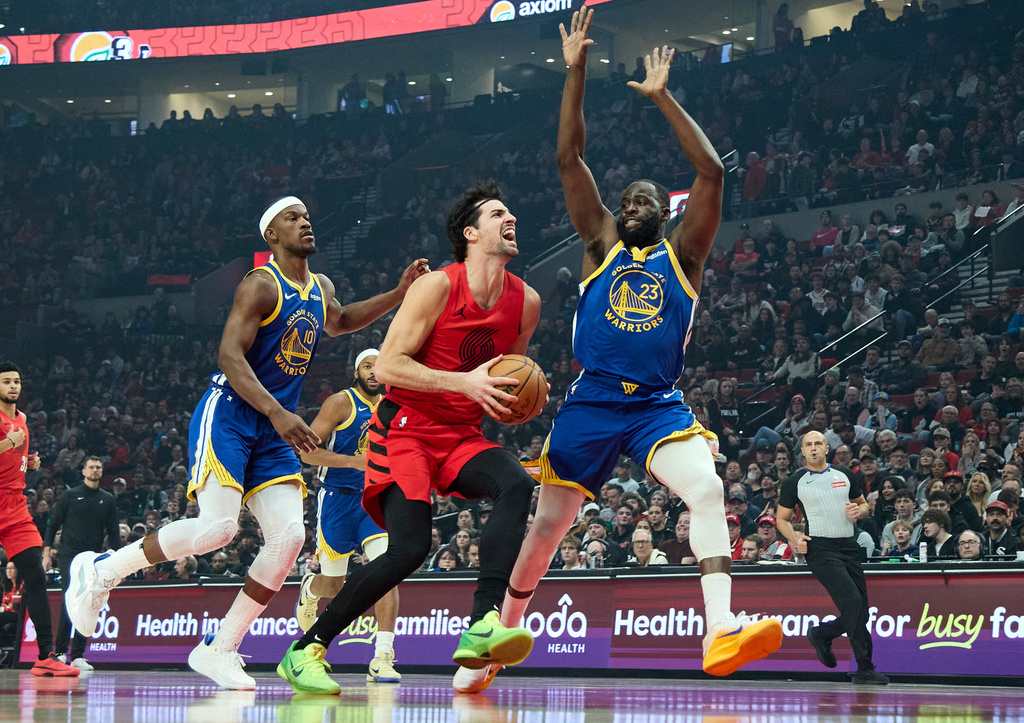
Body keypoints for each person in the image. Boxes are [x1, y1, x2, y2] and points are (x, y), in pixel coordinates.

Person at [467, 10, 783, 695]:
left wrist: (663, 96)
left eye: (646, 199)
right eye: (628, 198)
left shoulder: (686, 256)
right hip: (592, 402)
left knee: (706, 487)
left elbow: (712, 170)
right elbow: (567, 159)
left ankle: (721, 627)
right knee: (547, 530)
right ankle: (496, 640)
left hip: (656, 407)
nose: (634, 203)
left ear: (663, 214)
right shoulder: (600, 244)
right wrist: (576, 68)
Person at [64, 197, 429, 690]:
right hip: (233, 414)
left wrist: (400, 293)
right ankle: (103, 571)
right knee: (217, 529)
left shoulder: (320, 287)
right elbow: (229, 356)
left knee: (288, 539)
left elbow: (341, 321)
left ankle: (221, 647)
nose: (305, 221)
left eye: (306, 215)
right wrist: (279, 412)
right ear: (271, 235)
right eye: (292, 218)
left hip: (273, 428)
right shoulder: (260, 285)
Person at [276, 180, 542, 695]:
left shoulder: (525, 302)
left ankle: (483, 623)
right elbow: (391, 367)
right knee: (408, 550)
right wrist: (463, 382)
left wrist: (519, 397)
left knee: (514, 483)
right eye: (498, 214)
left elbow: (513, 371)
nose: (511, 219)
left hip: (461, 432)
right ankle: (305, 648)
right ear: (470, 233)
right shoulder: (437, 287)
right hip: (406, 430)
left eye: (512, 214)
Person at [292, 349, 401, 682]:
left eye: (378, 367)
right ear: (356, 373)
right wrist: (353, 462)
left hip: (374, 500)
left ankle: (383, 655)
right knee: (334, 584)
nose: (373, 372)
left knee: (386, 571)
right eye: (367, 366)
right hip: (337, 500)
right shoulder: (340, 403)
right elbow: (306, 453)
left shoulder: (393, 407)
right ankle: (311, 588)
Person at [776, 431, 888, 684]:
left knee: (862, 611)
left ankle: (823, 634)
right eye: (808, 445)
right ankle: (865, 668)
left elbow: (863, 505)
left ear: (827, 448)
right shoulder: (795, 482)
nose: (813, 448)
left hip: (849, 545)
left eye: (818, 444)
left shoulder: (845, 474)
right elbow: (781, 519)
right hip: (821, 549)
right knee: (853, 603)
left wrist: (856, 511)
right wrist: (795, 539)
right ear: (802, 451)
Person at [0, 362, 79, 677]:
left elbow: (13, 456)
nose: (13, 386)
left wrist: (26, 463)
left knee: (36, 576)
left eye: (16, 381)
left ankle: (46, 655)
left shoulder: (21, 420)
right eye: (6, 382)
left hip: (15, 505)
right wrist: (9, 445)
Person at [43, 456, 120, 671]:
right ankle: (59, 653)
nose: (95, 470)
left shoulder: (108, 499)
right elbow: (52, 525)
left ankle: (78, 655)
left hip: (92, 559)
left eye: (99, 467)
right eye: (92, 467)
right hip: (69, 556)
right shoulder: (69, 495)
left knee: (88, 603)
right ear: (84, 471)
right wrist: (47, 554)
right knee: (69, 600)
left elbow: (114, 532)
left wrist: (118, 560)